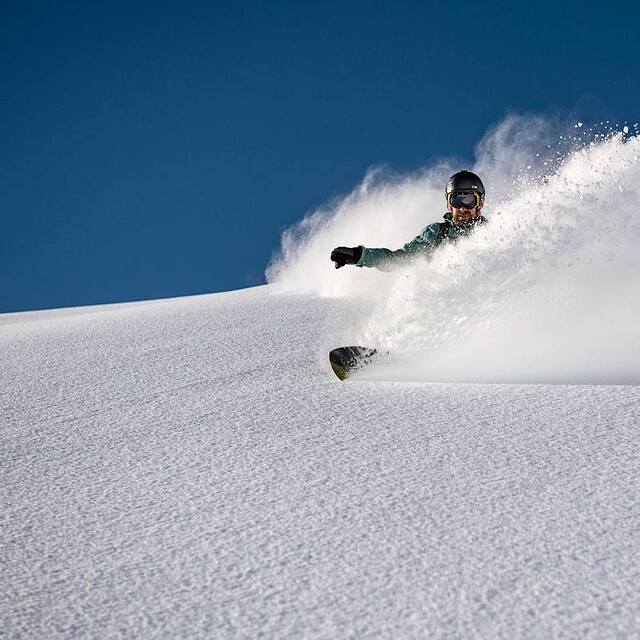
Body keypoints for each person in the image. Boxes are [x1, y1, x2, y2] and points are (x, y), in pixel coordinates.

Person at [330, 170, 487, 271]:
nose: (462, 208)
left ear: (480, 203)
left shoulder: (491, 232)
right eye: (456, 200)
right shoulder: (436, 234)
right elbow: (400, 260)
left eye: (469, 200)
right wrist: (359, 255)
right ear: (448, 204)